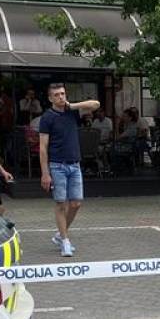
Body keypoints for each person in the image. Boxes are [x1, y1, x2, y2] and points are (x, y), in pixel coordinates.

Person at [39, 82, 99, 257]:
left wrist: (72, 105)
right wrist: (45, 173)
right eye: (56, 95)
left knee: (76, 203)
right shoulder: (47, 117)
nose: (60, 97)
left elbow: (95, 104)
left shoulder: (72, 111)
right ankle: (65, 240)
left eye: (62, 94)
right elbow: (43, 147)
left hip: (75, 164)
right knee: (60, 203)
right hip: (57, 165)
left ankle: (60, 234)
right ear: (50, 98)